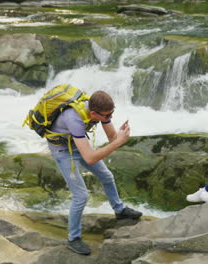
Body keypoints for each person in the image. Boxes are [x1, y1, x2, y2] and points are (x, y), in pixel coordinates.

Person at [49, 90, 142, 255]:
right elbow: (90, 158)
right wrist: (118, 142)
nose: (109, 118)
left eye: (112, 114)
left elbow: (113, 138)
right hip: (63, 150)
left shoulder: (101, 112)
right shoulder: (74, 118)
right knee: (81, 196)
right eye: (107, 116)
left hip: (78, 143)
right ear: (93, 113)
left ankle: (119, 210)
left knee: (107, 176)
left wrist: (120, 136)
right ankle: (73, 239)